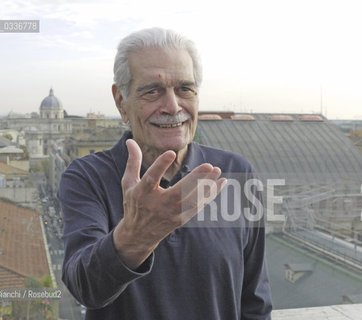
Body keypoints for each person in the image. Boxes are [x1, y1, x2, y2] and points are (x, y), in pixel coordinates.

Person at [57, 27, 272, 319]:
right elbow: (85, 288)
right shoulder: (87, 177)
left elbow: (255, 301)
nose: (172, 107)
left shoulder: (236, 173)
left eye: (185, 89)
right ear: (121, 101)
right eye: (152, 91)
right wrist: (136, 236)